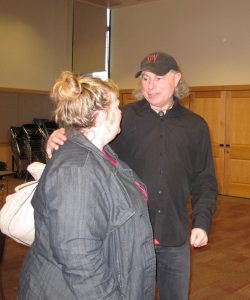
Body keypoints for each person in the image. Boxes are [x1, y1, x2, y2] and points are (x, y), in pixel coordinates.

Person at [47, 52, 218, 300]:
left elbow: (205, 180)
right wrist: (60, 135)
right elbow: (87, 138)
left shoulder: (196, 126)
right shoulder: (119, 118)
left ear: (176, 78)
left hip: (174, 235)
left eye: (158, 78)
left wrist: (202, 222)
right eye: (146, 78)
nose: (150, 86)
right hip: (128, 237)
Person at [18, 71, 156, 300]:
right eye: (116, 107)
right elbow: (79, 259)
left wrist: (135, 236)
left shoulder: (100, 154)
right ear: (102, 116)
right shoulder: (77, 170)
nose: (121, 113)